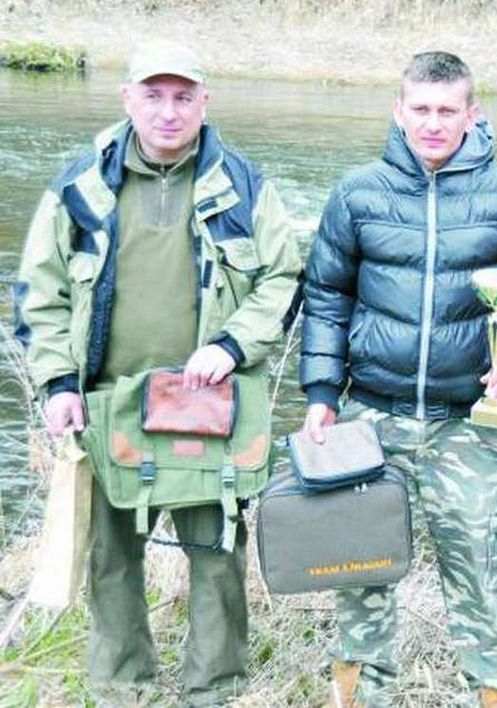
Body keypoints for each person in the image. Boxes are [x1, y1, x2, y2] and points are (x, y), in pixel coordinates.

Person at [14, 39, 302, 704]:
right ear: (127, 99)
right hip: (108, 403)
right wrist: (59, 386)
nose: (167, 112)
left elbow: (284, 278)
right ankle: (121, 688)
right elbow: (40, 291)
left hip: (209, 402)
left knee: (217, 556)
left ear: (204, 102)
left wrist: (231, 346)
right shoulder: (79, 187)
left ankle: (216, 689)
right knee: (112, 561)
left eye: (182, 97)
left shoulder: (247, 186)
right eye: (153, 95)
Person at [299, 51, 497, 706]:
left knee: (478, 575)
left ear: (471, 114)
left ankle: (493, 695)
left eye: (447, 110)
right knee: (362, 575)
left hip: (468, 424)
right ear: (399, 112)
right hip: (368, 417)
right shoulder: (358, 192)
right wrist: (319, 395)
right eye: (420, 109)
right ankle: (364, 698)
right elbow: (326, 297)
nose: (432, 123)